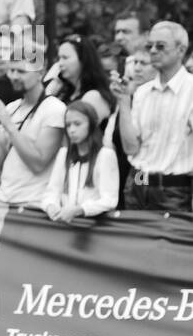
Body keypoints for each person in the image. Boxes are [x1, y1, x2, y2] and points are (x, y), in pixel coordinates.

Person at [112, 20, 193, 212]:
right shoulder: (142, 92)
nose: (153, 50)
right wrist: (123, 102)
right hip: (138, 182)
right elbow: (131, 148)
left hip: (175, 189)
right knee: (133, 241)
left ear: (181, 50)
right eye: (150, 46)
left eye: (161, 46)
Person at [0, 50, 67, 207]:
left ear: (40, 73)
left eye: (21, 71)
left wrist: (8, 124)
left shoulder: (55, 109)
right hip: (4, 200)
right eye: (11, 70)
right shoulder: (11, 108)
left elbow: (38, 163)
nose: (14, 76)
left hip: (33, 203)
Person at [42, 101, 119, 222]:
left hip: (93, 226)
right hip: (66, 224)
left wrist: (80, 209)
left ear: (92, 124)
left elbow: (109, 200)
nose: (71, 130)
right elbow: (51, 191)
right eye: (68, 125)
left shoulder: (105, 155)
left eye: (77, 124)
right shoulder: (64, 154)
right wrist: (51, 206)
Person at [105, 50, 154, 207]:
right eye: (135, 63)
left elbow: (134, 149)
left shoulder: (155, 100)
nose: (137, 68)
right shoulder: (127, 97)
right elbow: (111, 141)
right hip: (122, 177)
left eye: (143, 63)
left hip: (145, 177)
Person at [49, 34, 114, 123]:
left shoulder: (94, 96)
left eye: (65, 57)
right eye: (59, 58)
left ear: (83, 59)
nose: (60, 63)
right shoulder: (64, 91)